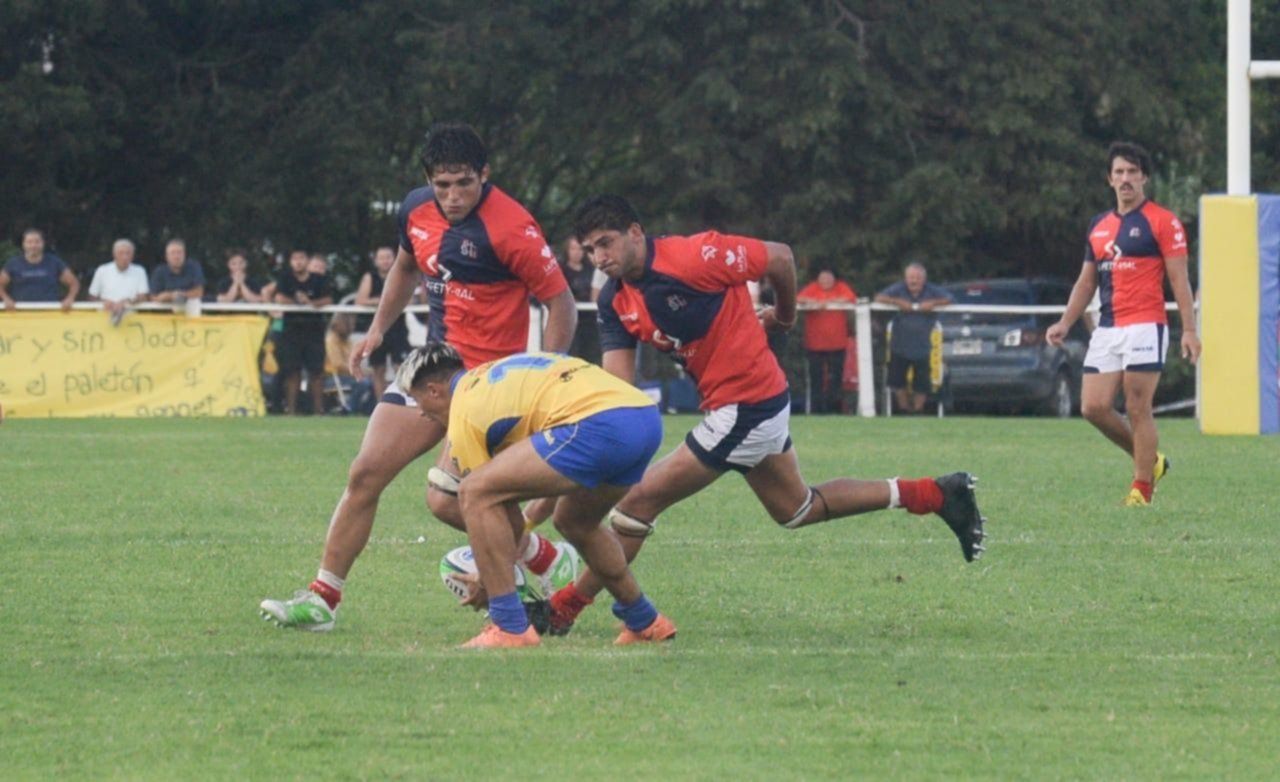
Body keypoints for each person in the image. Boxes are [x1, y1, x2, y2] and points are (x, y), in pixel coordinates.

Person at [540, 195, 986, 634]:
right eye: (591, 249)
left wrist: (785, 317)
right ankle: (933, 494)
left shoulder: (695, 256)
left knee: (636, 505)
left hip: (747, 403)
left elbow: (780, 257)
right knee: (797, 508)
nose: (599, 257)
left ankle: (565, 609)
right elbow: (619, 387)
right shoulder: (614, 300)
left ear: (635, 233)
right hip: (747, 404)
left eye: (606, 242)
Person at [259, 121, 577, 631]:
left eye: (464, 183)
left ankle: (532, 568)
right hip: (431, 369)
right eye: (442, 184)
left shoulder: (513, 227)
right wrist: (377, 330)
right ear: (428, 180)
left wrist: (545, 376)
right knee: (365, 472)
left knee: (446, 500)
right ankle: (322, 601)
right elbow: (406, 267)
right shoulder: (415, 210)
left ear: (485, 174)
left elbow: (561, 302)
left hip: (489, 384)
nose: (453, 196)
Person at [394, 344, 674, 648]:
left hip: (599, 424)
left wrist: (488, 579)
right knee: (576, 522)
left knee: (474, 492)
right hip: (643, 416)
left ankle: (510, 626)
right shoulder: (492, 376)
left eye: (417, 399)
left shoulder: (465, 411)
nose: (420, 412)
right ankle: (645, 621)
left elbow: (503, 515)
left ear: (434, 391)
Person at [1047, 141, 1201, 506]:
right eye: (1119, 172)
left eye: (1133, 171)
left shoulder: (1163, 221)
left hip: (1146, 325)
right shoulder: (1098, 225)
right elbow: (1086, 282)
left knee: (1137, 406)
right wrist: (1066, 322)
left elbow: (1179, 279)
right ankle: (1151, 461)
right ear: (1110, 179)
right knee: (1093, 407)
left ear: (1144, 177)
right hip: (1109, 327)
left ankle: (1141, 489)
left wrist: (1190, 329)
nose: (1126, 178)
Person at [874, 262, 952, 413]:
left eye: (917, 277)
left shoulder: (932, 290)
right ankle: (904, 411)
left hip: (922, 346)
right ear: (906, 278)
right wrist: (897, 302)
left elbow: (950, 299)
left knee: (922, 384)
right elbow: (878, 297)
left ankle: (918, 412)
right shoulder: (899, 288)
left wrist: (933, 303)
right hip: (899, 345)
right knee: (898, 382)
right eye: (911, 277)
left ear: (924, 279)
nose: (913, 281)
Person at [271, 249, 334, 415]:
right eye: (295, 259)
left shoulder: (319, 279)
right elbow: (279, 298)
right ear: (290, 262)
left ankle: (318, 411)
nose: (298, 262)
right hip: (291, 331)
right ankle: (291, 411)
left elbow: (328, 299)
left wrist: (310, 303)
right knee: (292, 372)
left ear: (307, 261)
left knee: (316, 372)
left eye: (301, 258)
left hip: (314, 331)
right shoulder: (285, 278)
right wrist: (297, 302)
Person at [355, 246, 414, 399]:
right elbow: (360, 300)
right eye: (381, 258)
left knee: (401, 368)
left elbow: (410, 299)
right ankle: (380, 404)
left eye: (388, 257)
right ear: (375, 261)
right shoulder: (370, 277)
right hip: (377, 329)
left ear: (394, 258)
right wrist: (383, 301)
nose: (385, 261)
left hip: (398, 328)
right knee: (378, 369)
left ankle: (405, 402)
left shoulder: (402, 275)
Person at [797, 268, 858, 413]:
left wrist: (827, 302)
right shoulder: (812, 288)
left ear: (834, 279)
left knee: (835, 379)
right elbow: (798, 299)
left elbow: (851, 298)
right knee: (816, 379)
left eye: (828, 278)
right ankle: (817, 410)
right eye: (822, 278)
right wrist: (815, 303)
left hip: (837, 344)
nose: (825, 281)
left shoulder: (841, 287)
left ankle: (833, 409)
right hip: (815, 344)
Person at [0, 228, 79, 311]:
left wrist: (70, 298)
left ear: (43, 243)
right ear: (23, 244)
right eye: (29, 242)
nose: (33, 245)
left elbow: (74, 283)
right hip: (21, 312)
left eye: (37, 242)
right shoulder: (13, 264)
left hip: (49, 312)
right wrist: (6, 299)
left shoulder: (54, 262)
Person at [87, 239, 150, 324]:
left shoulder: (139, 271)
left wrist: (127, 302)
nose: (125, 257)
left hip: (131, 320)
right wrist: (104, 302)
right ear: (114, 254)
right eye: (121, 253)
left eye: (128, 253)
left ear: (132, 255)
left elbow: (143, 297)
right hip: (103, 319)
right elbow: (92, 297)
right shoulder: (102, 270)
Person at [559, 236, 601, 363]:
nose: (577, 252)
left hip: (589, 320)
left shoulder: (591, 270)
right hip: (571, 320)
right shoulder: (561, 270)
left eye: (579, 249)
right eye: (573, 249)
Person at [149, 239, 205, 304]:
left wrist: (179, 295)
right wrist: (167, 297)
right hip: (165, 309)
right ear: (167, 256)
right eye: (172, 253)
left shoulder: (193, 267)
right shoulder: (159, 271)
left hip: (191, 308)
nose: (176, 256)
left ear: (184, 254)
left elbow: (199, 292)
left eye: (179, 252)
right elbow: (153, 297)